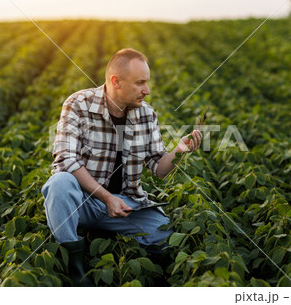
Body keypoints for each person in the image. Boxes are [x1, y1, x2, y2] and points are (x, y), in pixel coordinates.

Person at [41, 48, 203, 286]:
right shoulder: (78, 104)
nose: (147, 90)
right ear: (116, 81)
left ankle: (98, 232)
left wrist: (179, 151)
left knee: (167, 238)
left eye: (146, 83)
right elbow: (65, 159)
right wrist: (107, 199)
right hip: (83, 202)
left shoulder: (147, 115)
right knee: (59, 183)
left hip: (124, 204)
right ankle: (75, 268)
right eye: (140, 83)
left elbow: (158, 168)